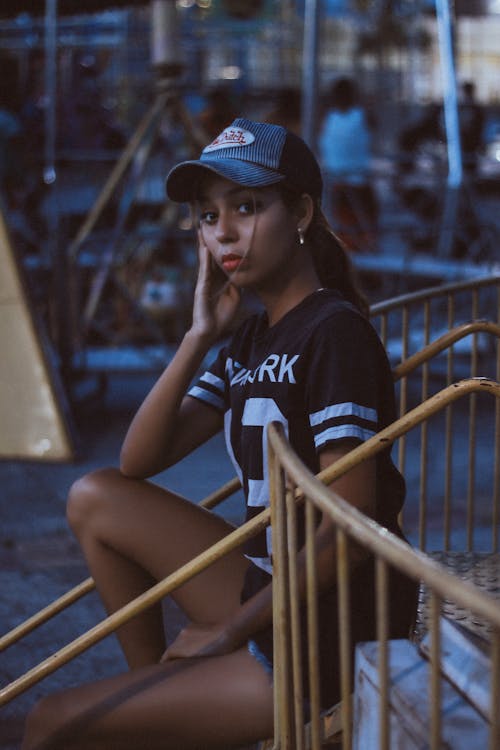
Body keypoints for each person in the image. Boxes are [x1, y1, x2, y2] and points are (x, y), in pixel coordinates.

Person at [22, 118, 416, 750]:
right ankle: (153, 698)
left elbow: (348, 524)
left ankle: (154, 710)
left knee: (48, 723)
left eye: (247, 207)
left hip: (336, 629)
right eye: (207, 217)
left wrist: (231, 630)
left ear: (302, 212)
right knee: (94, 495)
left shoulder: (333, 332)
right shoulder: (252, 337)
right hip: (273, 588)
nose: (223, 231)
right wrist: (198, 333)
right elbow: (137, 461)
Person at [318, 77, 378, 252]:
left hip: (335, 182)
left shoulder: (327, 118)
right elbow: (374, 126)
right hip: (358, 181)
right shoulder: (362, 115)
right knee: (366, 225)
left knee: (342, 226)